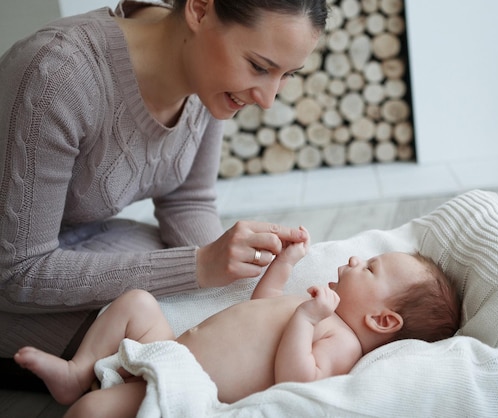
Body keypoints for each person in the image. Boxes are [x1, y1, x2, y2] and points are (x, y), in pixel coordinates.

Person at [0, 0, 327, 384]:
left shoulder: (205, 78)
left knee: (254, 313)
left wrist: (239, 286)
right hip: (16, 282)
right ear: (200, 9)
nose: (268, 99)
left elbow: (187, 201)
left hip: (80, 243)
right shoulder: (57, 75)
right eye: (259, 66)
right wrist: (201, 265)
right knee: (197, 353)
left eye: (287, 74)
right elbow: (15, 272)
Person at [15, 226, 460, 416]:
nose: (354, 259)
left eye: (370, 269)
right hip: (168, 350)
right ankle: (77, 371)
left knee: (92, 411)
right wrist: (284, 264)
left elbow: (299, 381)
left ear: (382, 320)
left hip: (185, 385)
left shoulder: (338, 337)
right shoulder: (319, 310)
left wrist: (307, 319)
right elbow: (259, 306)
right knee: (137, 302)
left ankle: (83, 393)